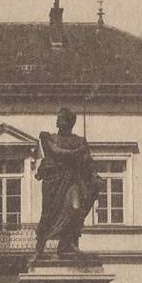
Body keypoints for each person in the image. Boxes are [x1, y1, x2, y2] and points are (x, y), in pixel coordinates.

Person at [34, 107, 103, 258]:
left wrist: (95, 176)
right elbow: (56, 152)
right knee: (47, 214)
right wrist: (76, 153)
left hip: (72, 181)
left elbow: (88, 162)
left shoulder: (79, 141)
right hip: (53, 183)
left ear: (69, 122)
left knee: (75, 208)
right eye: (59, 118)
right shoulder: (49, 138)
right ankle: (39, 248)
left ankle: (67, 244)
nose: (58, 121)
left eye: (62, 118)